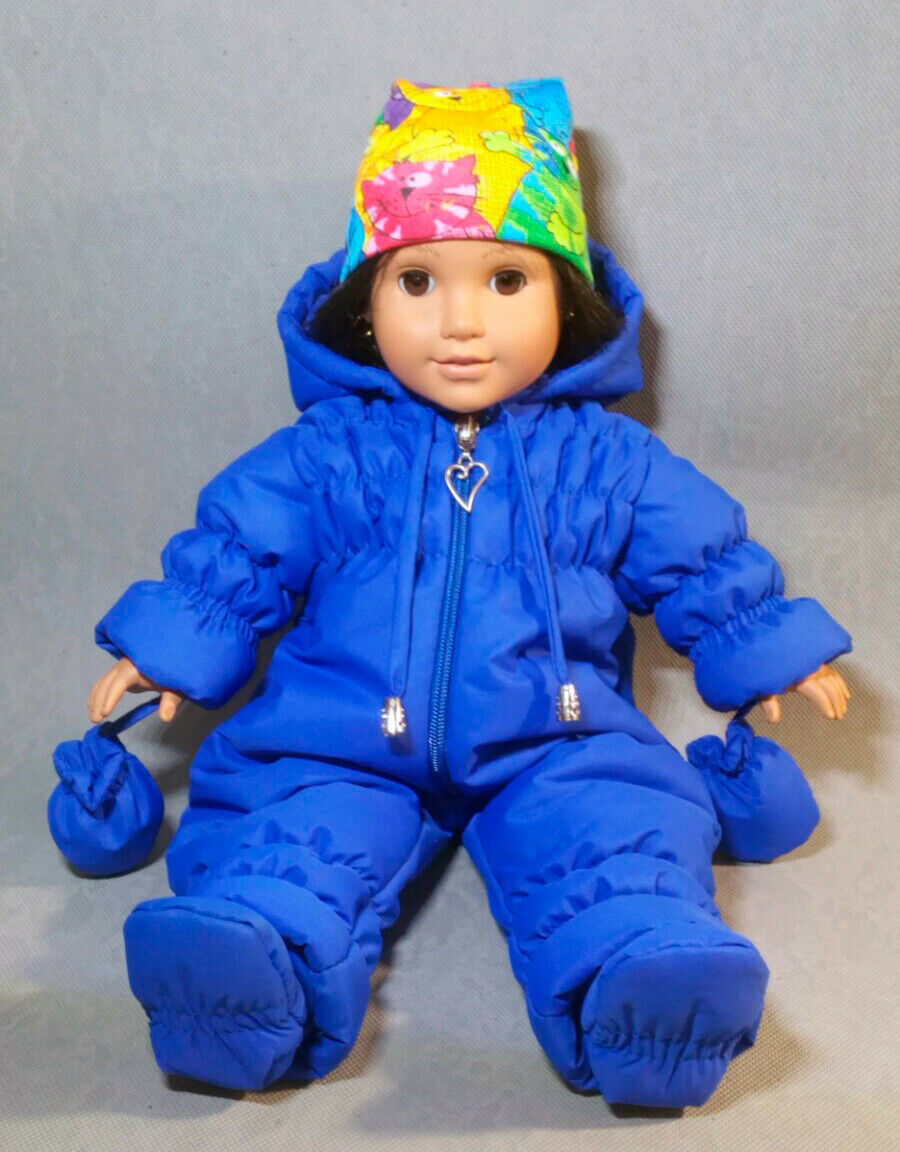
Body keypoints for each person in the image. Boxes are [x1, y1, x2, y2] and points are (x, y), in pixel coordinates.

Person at [87, 77, 851, 1106]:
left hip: (557, 735)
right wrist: (173, 645)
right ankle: (241, 983)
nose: (460, 322)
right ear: (365, 305)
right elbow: (240, 549)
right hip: (338, 735)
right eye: (416, 282)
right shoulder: (332, 449)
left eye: (505, 281)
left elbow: (702, 557)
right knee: (285, 838)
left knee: (616, 835)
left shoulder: (602, 457)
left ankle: (644, 992)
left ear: (566, 298)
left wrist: (762, 649)